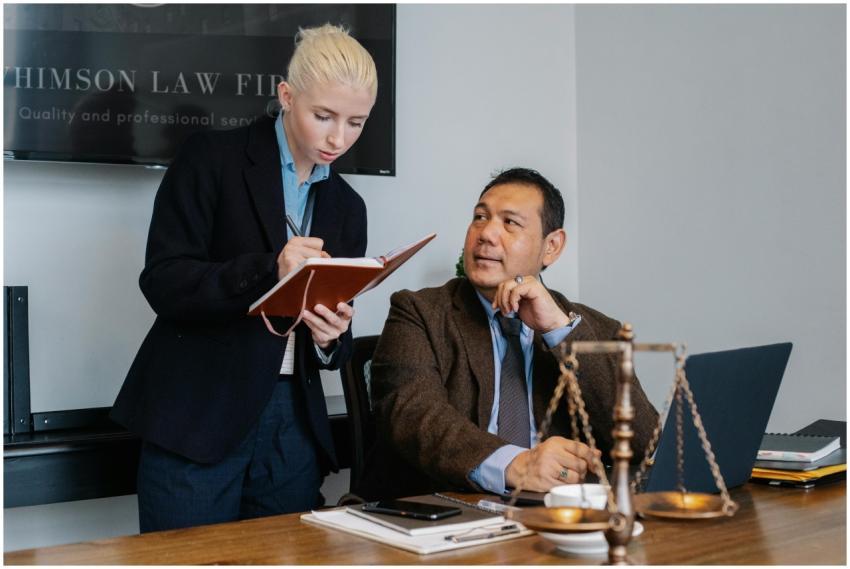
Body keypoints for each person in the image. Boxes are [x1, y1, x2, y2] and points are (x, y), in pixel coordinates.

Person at [111, 24, 378, 532]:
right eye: (323, 116)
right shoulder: (211, 158)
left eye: (356, 122)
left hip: (292, 424)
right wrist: (269, 268)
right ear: (286, 95)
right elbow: (163, 282)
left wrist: (332, 337)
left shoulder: (348, 207)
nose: (338, 138)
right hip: (198, 413)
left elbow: (333, 340)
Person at [355, 168, 659, 500]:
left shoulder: (596, 330)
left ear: (551, 247)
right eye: (480, 218)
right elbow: (414, 418)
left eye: (510, 222)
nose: (486, 234)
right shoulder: (418, 312)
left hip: (556, 518)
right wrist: (517, 464)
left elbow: (646, 442)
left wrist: (559, 331)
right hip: (445, 512)